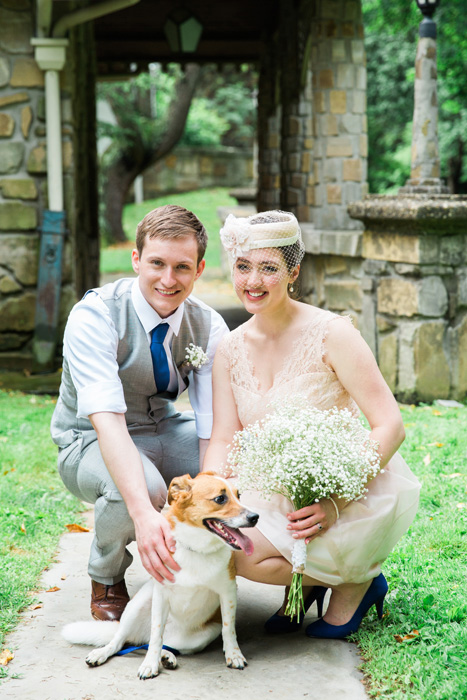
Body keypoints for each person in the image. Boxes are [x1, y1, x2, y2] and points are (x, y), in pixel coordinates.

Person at [202, 210, 420, 639]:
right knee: (220, 547)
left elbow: (390, 425)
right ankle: (327, 580)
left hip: (340, 487)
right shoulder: (228, 348)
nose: (253, 281)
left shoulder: (332, 333)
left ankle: (357, 579)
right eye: (244, 267)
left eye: (269, 268)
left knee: (241, 556)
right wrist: (209, 494)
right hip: (266, 485)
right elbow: (225, 436)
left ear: (293, 272)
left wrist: (333, 502)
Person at [51, 205, 228, 621]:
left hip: (164, 427)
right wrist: (145, 516)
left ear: (199, 269)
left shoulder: (209, 326)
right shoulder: (95, 315)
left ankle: (203, 576)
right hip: (89, 437)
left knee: (241, 465)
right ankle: (107, 577)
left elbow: (213, 424)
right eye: (156, 264)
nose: (168, 280)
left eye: (182, 267)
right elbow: (106, 420)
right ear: (136, 260)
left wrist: (210, 493)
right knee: (139, 490)